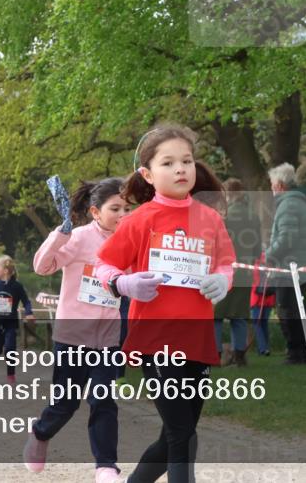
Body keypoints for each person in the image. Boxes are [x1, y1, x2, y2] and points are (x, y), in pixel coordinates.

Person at [95, 124, 235, 483]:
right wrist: (122, 282)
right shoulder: (140, 219)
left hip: (198, 339)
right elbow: (103, 265)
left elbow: (225, 263)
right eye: (168, 163)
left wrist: (222, 279)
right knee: (181, 436)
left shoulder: (210, 219)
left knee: (178, 432)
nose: (180, 169)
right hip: (156, 340)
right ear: (147, 174)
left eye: (186, 161)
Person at [23, 176, 132, 482]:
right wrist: (60, 234)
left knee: (103, 400)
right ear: (96, 212)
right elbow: (42, 266)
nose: (124, 215)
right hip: (72, 336)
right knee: (66, 402)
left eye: (127, 208)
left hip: (108, 337)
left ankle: (106, 466)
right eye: (116, 209)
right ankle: (41, 432)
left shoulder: (130, 239)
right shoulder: (80, 237)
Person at [265, 162, 306, 365]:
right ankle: (304, 351)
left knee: (287, 309)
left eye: (271, 185)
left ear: (279, 185)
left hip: (288, 266)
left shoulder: (288, 204)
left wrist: (268, 254)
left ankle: (296, 352)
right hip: (300, 264)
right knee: (299, 307)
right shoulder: (301, 201)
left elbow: (286, 238)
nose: (271, 189)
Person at [214, 178, 261, 366]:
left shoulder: (223, 218)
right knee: (239, 316)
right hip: (245, 272)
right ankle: (240, 356)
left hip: (223, 271)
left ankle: (215, 355)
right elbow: (257, 249)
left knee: (215, 317)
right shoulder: (253, 216)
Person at [0, 255, 35, 382]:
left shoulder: (17, 286)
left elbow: (26, 301)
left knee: (10, 348)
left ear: (5, 270)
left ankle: (11, 374)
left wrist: (29, 313)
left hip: (10, 323)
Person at [249, 255, 275, 356]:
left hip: (257, 298)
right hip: (269, 297)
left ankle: (263, 349)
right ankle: (265, 348)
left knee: (257, 323)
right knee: (264, 323)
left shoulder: (256, 263)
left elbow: (253, 279)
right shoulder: (272, 261)